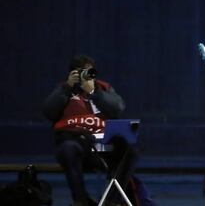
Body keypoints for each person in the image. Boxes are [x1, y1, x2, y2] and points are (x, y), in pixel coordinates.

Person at [42, 55, 138, 206]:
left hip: (102, 143)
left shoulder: (103, 88)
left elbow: (117, 109)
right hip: (75, 141)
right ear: (72, 74)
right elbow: (48, 111)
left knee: (130, 149)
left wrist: (95, 92)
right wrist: (67, 87)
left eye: (89, 72)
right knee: (68, 148)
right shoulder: (64, 89)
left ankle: (112, 201)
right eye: (80, 72)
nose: (85, 76)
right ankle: (81, 200)